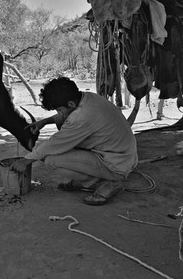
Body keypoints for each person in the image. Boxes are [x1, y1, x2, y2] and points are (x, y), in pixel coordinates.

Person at [11, 77, 138, 205]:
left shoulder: (82, 117)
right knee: (55, 142)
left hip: (116, 166)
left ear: (71, 104)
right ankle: (95, 179)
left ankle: (106, 183)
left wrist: (26, 160)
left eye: (59, 110)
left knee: (50, 160)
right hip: (123, 156)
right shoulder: (87, 98)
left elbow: (55, 144)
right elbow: (66, 115)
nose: (59, 113)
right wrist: (44, 122)